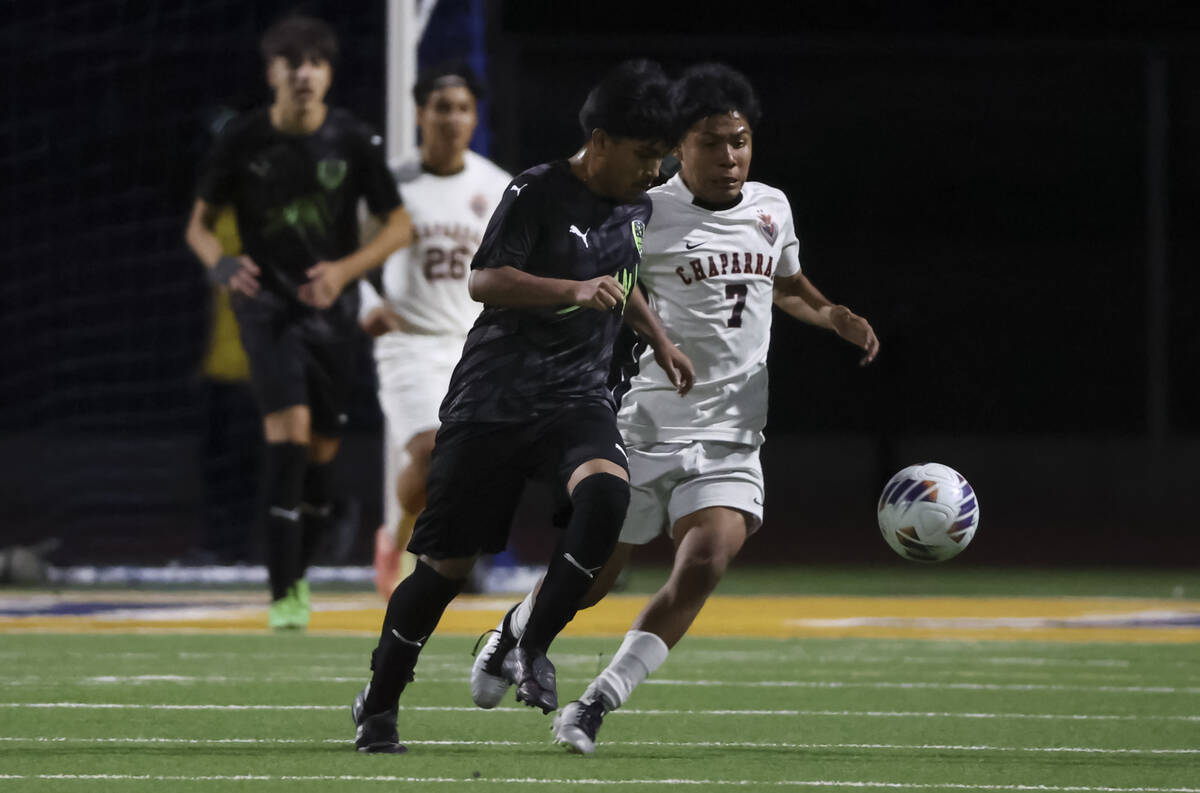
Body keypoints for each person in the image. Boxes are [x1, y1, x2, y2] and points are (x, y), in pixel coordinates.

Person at [469, 63, 880, 754]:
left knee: (706, 559)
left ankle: (596, 704)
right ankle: (513, 632)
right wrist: (647, 338)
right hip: (644, 425)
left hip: (732, 433)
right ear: (677, 146)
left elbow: (787, 284)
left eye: (739, 141)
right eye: (711, 143)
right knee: (593, 581)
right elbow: (606, 278)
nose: (729, 157)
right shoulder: (645, 210)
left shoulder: (771, 207)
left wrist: (833, 313)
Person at [350, 59, 694, 755]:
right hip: (495, 399)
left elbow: (620, 279)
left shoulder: (636, 202)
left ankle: (528, 643)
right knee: (444, 571)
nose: (653, 171)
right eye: (643, 155)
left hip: (576, 397)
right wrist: (571, 290)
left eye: (661, 157)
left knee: (607, 493)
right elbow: (484, 279)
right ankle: (380, 701)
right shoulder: (535, 190)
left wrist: (660, 339)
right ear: (600, 141)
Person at [184, 14, 412, 630]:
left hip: (331, 313)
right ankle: (284, 593)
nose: (304, 74)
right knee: (288, 437)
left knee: (321, 454)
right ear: (273, 74)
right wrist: (222, 265)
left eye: (315, 63)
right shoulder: (243, 140)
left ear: (328, 74)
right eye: (292, 64)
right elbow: (198, 227)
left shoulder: (352, 140)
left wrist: (343, 272)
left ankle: (300, 570)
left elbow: (398, 226)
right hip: (267, 309)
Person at [358, 63, 513, 600]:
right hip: (409, 341)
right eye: (442, 107)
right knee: (429, 452)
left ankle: (431, 545)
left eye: (463, 109)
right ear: (421, 114)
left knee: (472, 467)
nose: (452, 118)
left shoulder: (496, 185)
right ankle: (398, 540)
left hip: (474, 345)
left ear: (475, 118)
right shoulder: (390, 182)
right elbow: (342, 253)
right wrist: (367, 304)